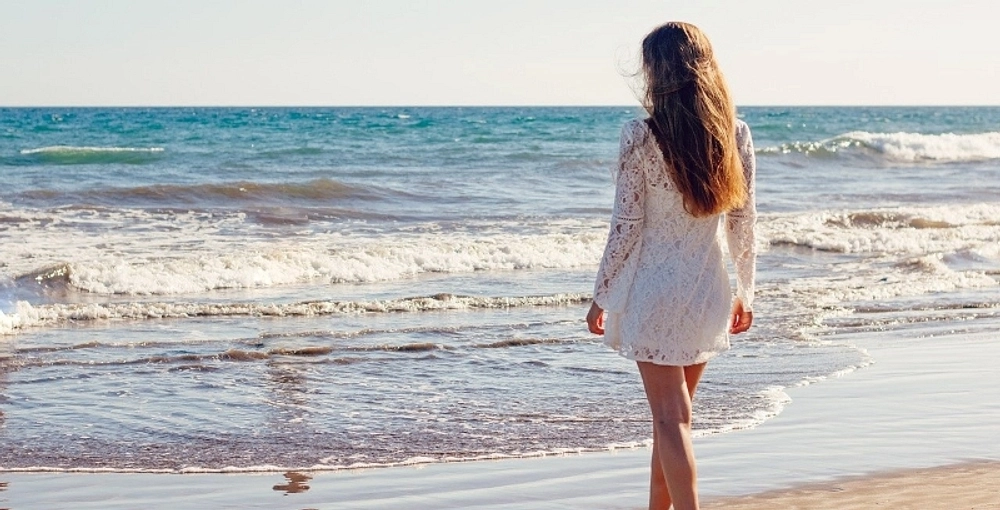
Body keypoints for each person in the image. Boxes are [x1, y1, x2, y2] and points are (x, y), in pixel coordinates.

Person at [586, 22, 757, 510]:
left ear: (657, 71)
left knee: (670, 418)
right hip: (708, 290)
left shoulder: (640, 136)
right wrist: (746, 289)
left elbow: (626, 226)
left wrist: (602, 295)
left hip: (653, 293)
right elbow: (743, 222)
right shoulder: (734, 135)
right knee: (675, 419)